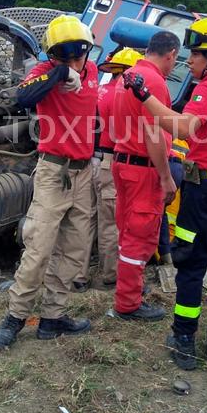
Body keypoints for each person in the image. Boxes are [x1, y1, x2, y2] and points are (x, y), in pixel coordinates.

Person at [123, 17, 207, 370]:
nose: (190, 61)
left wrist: (144, 97)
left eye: (197, 54)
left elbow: (183, 128)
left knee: (190, 264)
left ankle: (184, 338)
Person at [0, 15, 98, 349]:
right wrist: (59, 74)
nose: (75, 64)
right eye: (65, 57)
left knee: (75, 249)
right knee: (38, 247)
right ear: (53, 56)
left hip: (84, 172)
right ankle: (15, 317)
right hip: (54, 172)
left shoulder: (92, 72)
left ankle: (53, 317)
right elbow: (22, 98)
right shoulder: (44, 73)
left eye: (78, 57)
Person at [110, 32, 180, 322]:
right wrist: (166, 177)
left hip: (123, 163)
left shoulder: (126, 77)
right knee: (140, 237)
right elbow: (154, 134)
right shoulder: (154, 83)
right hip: (143, 169)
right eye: (176, 61)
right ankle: (128, 304)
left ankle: (130, 289)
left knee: (128, 233)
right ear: (171, 54)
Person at [77, 47, 145, 290]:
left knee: (85, 219)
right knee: (110, 222)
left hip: (89, 160)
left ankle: (78, 275)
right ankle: (111, 275)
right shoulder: (125, 94)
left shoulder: (99, 92)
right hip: (109, 162)